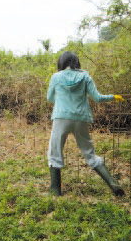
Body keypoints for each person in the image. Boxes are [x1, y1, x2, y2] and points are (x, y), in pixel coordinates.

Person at [47, 51, 125, 197]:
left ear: (62, 63)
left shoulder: (56, 77)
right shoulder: (85, 76)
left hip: (61, 117)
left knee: (55, 152)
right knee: (89, 153)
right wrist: (113, 97)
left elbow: (50, 97)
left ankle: (55, 191)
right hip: (81, 118)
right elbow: (97, 97)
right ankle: (113, 185)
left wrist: (62, 101)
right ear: (76, 62)